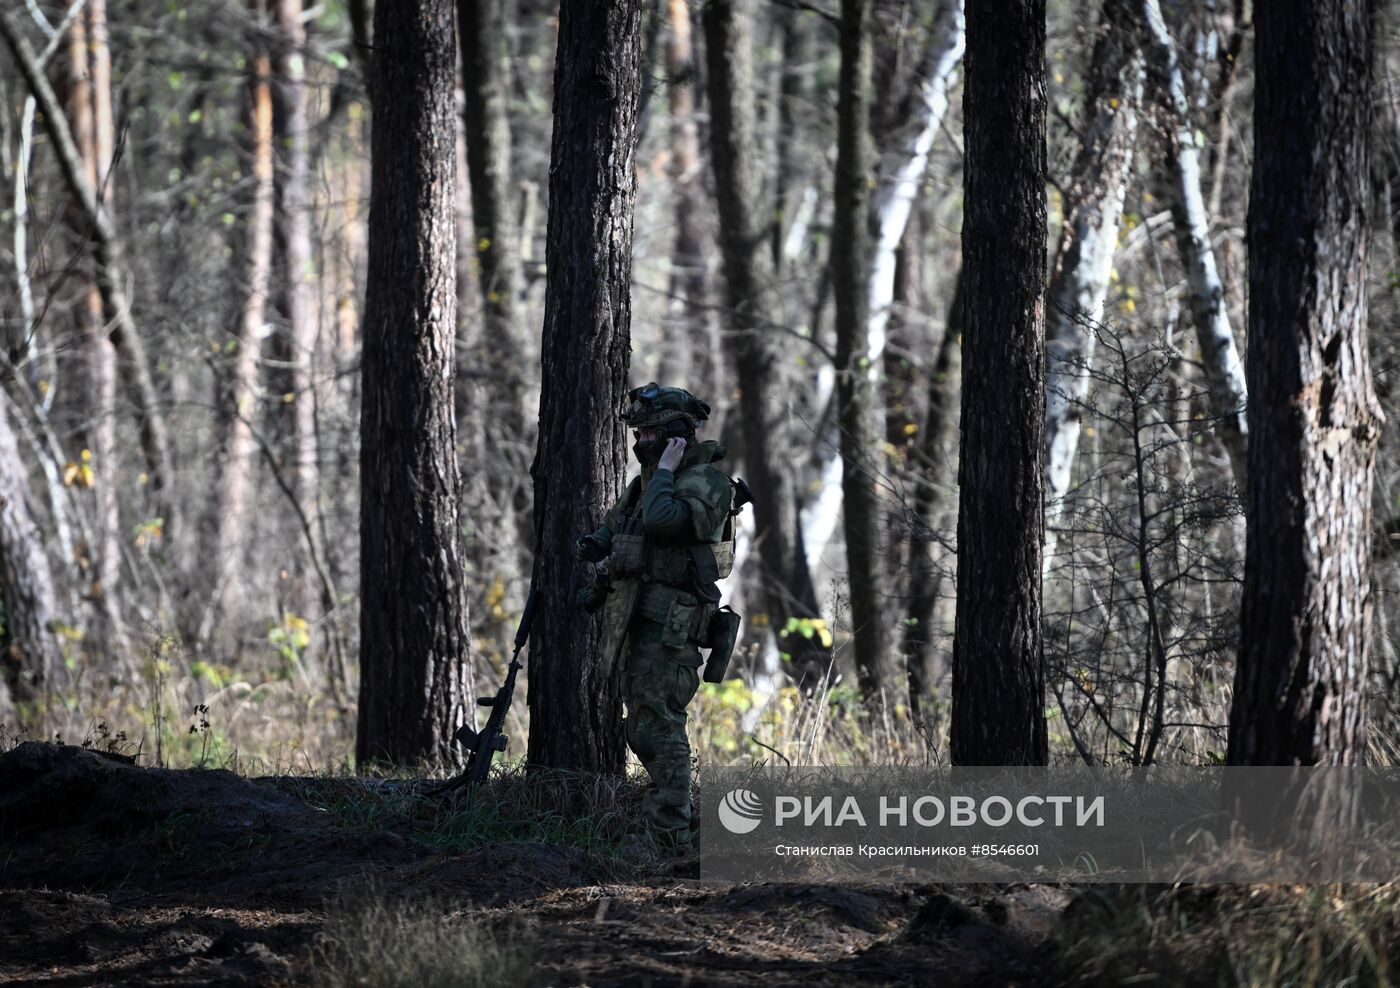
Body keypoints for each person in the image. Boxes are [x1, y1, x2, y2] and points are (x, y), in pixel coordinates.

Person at [573, 382, 737, 850]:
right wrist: (596, 545)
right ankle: (674, 821)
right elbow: (615, 524)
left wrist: (665, 470)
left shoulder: (706, 481)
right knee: (641, 725)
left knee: (660, 723)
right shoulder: (646, 483)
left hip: (673, 628)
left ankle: (669, 831)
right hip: (638, 624)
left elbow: (664, 521)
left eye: (649, 435)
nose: (639, 442)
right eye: (638, 434)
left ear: (675, 438)